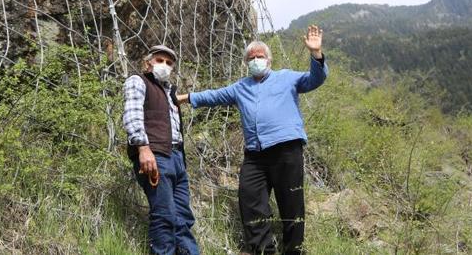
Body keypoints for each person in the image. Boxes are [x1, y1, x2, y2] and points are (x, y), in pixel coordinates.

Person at [177, 25, 327, 255]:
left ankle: (295, 250)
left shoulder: (286, 78)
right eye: (252, 57)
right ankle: (263, 250)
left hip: (286, 150)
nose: (256, 60)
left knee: (291, 204)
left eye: (260, 56)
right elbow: (214, 96)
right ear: (247, 62)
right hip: (255, 156)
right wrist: (185, 98)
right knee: (250, 201)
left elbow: (315, 79)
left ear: (269, 60)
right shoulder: (241, 87)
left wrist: (316, 54)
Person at [123, 45, 200, 255]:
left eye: (169, 63)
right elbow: (132, 115)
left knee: (183, 216)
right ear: (148, 63)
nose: (164, 65)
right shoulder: (138, 81)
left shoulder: (170, 92)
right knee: (164, 215)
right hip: (154, 155)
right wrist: (143, 149)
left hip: (177, 158)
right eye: (159, 60)